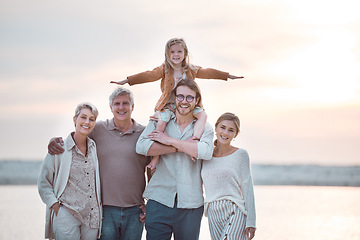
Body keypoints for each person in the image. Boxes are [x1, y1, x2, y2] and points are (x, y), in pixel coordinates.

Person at [111, 37, 243, 170]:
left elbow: (208, 72)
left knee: (203, 116)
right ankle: (156, 157)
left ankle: (194, 140)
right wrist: (128, 80)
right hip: (169, 105)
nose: (176, 55)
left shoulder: (191, 69)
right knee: (162, 121)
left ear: (185, 53)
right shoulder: (164, 69)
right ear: (167, 54)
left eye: (179, 51)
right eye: (172, 52)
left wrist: (227, 75)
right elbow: (148, 75)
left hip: (188, 106)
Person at [47, 88, 151, 240]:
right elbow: (77, 136)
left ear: (132, 106)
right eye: (117, 104)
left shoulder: (144, 133)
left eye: (125, 103)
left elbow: (154, 170)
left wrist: (149, 204)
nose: (121, 107)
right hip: (105, 210)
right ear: (111, 108)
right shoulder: (98, 129)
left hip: (135, 210)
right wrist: (54, 141)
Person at [136, 78, 214, 240]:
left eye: (189, 97)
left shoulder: (205, 128)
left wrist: (169, 140)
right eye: (180, 96)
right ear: (174, 97)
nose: (184, 101)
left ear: (197, 100)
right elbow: (142, 146)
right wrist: (180, 147)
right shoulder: (159, 120)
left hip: (191, 205)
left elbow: (205, 152)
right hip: (159, 201)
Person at [38, 102, 102, 240]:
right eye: (83, 117)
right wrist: (56, 207)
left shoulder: (94, 147)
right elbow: (44, 183)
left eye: (91, 119)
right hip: (67, 213)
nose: (87, 122)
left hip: (91, 217)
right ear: (75, 119)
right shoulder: (60, 148)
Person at [201, 112, 256, 240]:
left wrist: (251, 221)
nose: (225, 133)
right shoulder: (205, 155)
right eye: (223, 127)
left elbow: (247, 188)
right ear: (216, 128)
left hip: (234, 209)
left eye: (231, 130)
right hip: (213, 212)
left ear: (235, 134)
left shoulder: (241, 155)